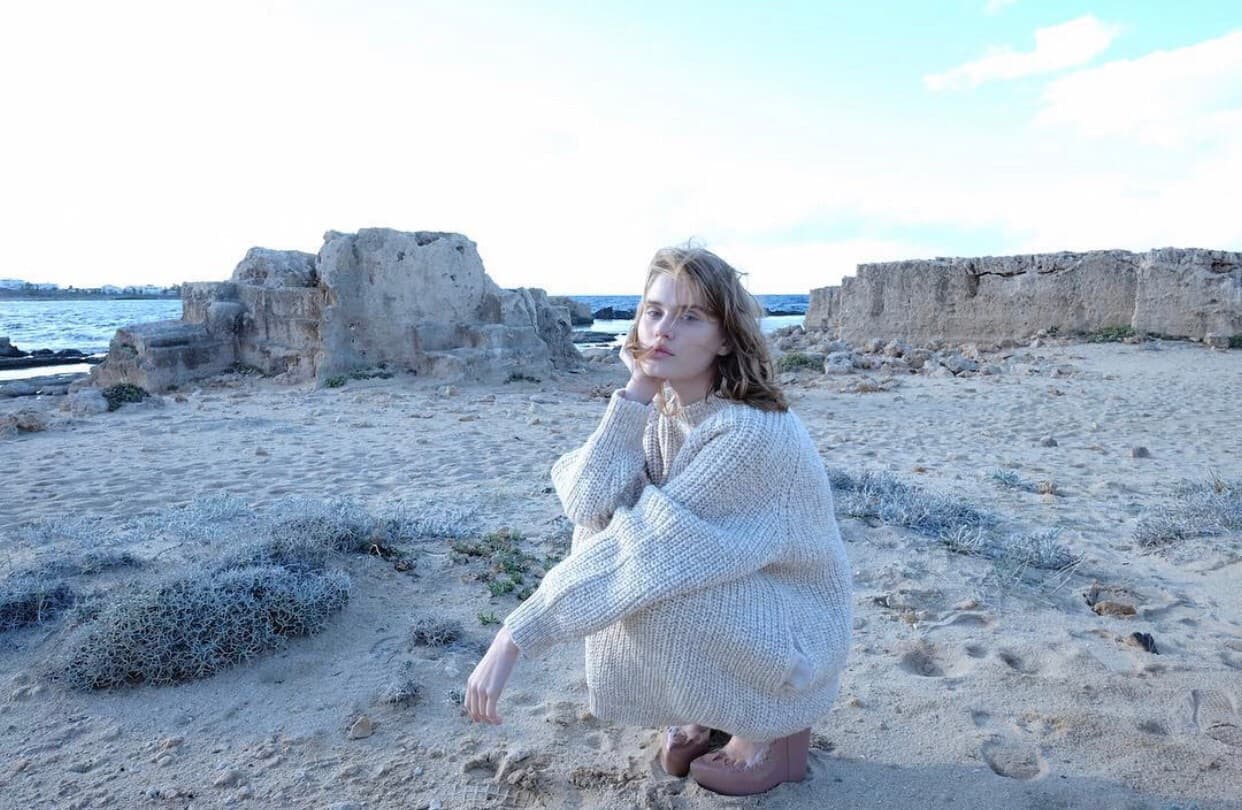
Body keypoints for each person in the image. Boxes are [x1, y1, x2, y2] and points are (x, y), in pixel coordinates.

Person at [464, 246, 853, 796]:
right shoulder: (668, 409)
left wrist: (515, 635)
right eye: (654, 311)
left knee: (648, 581)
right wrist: (637, 392)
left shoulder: (750, 433)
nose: (663, 329)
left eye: (690, 316)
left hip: (796, 625)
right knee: (602, 531)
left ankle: (771, 729)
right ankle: (704, 707)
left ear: (726, 338)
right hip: (742, 595)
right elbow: (588, 502)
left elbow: (650, 550)